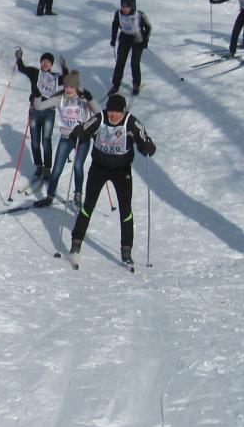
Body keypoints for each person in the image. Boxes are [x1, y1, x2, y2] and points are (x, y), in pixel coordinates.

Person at [66, 93, 157, 268]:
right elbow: (85, 129)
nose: (113, 115)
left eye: (117, 112)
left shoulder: (131, 122)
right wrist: (78, 134)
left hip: (121, 170)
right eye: (111, 111)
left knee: (125, 209)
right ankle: (76, 243)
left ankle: (126, 250)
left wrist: (147, 146)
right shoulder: (100, 118)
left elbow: (143, 139)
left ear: (123, 111)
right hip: (99, 167)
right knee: (88, 206)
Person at [31, 71, 99, 209]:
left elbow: (98, 113)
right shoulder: (59, 98)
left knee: (78, 167)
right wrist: (37, 95)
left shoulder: (82, 99)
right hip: (66, 138)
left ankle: (78, 194)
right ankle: (50, 196)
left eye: (71, 87)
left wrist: (90, 99)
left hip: (82, 139)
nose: (68, 89)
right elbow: (39, 106)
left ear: (76, 87)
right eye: (66, 86)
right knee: (56, 169)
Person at [15, 47, 65, 183]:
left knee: (46, 141)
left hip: (49, 111)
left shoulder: (55, 77)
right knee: (35, 141)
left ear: (51, 64)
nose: (46, 63)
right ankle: (39, 166)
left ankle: (47, 169)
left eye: (49, 62)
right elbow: (22, 68)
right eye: (44, 61)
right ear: (41, 62)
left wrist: (64, 66)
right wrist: (19, 58)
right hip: (35, 110)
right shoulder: (34, 72)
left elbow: (67, 80)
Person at [108, 0, 152, 96]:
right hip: (124, 38)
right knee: (120, 62)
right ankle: (116, 84)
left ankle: (136, 84)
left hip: (137, 39)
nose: (124, 9)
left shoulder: (139, 14)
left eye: (126, 7)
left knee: (134, 63)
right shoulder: (118, 14)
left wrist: (145, 41)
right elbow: (115, 26)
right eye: (122, 6)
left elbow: (148, 27)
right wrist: (113, 39)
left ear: (131, 7)